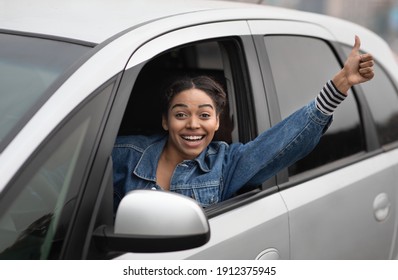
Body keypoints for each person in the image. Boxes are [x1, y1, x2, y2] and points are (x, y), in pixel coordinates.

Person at [112, 36, 374, 211]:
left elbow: (284, 143)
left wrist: (340, 84)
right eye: (181, 115)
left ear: (216, 124)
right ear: (165, 121)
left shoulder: (225, 164)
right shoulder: (124, 154)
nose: (193, 124)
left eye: (204, 115)